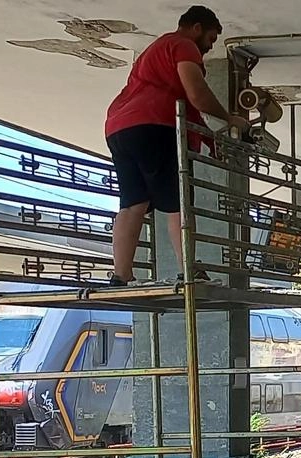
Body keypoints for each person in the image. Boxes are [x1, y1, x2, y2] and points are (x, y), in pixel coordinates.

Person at [103, 6, 250, 286]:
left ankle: (120, 275)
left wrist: (209, 139)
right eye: (210, 38)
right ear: (196, 28)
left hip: (118, 128)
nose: (209, 47)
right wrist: (230, 119)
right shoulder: (183, 45)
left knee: (133, 204)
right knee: (178, 204)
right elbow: (197, 94)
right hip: (154, 126)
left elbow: (187, 108)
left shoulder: (155, 51)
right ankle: (190, 272)